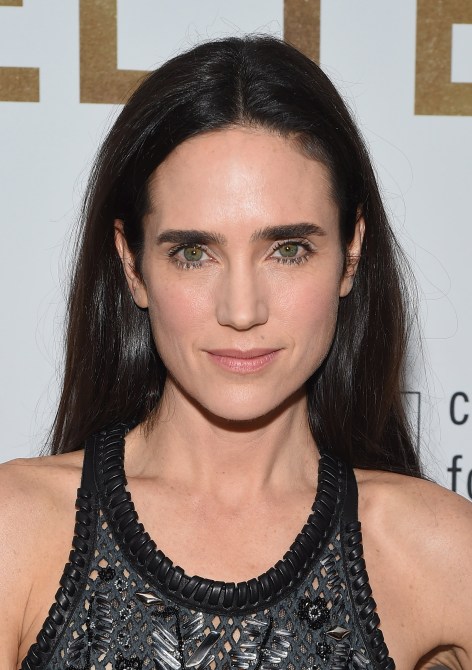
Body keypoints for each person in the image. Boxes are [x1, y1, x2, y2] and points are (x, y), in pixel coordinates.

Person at [1, 35, 471, 670]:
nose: (242, 310)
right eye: (194, 253)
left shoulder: (440, 554)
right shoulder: (17, 531)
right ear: (133, 266)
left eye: (288, 250)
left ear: (351, 253)